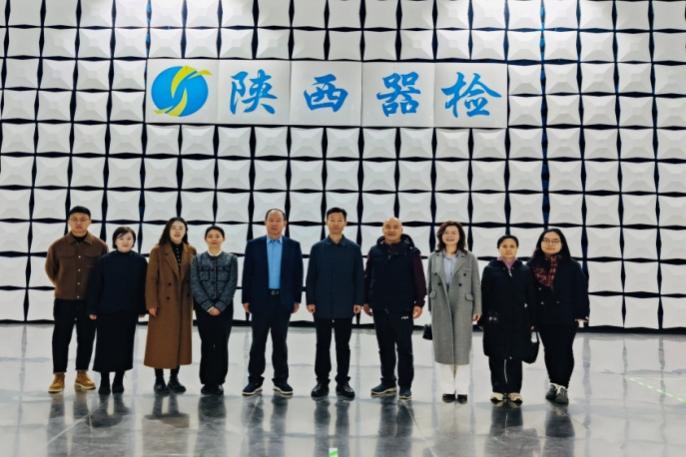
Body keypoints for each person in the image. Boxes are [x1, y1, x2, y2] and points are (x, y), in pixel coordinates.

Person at [45, 206, 108, 393]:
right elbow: (51, 270)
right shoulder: (57, 246)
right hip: (64, 300)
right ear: (69, 222)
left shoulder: (100, 246)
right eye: (74, 219)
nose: (79, 223)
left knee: (86, 337)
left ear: (90, 222)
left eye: (83, 219)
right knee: (60, 337)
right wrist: (63, 285)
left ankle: (82, 374)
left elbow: (103, 274)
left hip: (89, 302)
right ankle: (59, 375)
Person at [241, 209, 304, 397]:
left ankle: (281, 380)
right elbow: (247, 273)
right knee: (257, 342)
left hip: (282, 301)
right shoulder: (254, 245)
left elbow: (298, 273)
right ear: (265, 222)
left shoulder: (293, 246)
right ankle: (254, 380)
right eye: (271, 220)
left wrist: (296, 298)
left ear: (285, 223)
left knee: (280, 342)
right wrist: (245, 298)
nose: (274, 223)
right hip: (260, 300)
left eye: (278, 220)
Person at [363, 217, 426, 400]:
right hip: (380, 307)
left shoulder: (412, 252)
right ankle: (388, 382)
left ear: (401, 230)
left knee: (404, 349)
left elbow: (419, 278)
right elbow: (368, 277)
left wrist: (419, 302)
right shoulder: (375, 251)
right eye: (388, 227)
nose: (391, 230)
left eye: (395, 227)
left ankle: (405, 386)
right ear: (383, 229)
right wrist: (365, 300)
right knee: (384, 347)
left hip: (403, 307)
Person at [306, 207, 364, 400]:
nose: (336, 223)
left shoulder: (354, 249)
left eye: (340, 220)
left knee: (343, 345)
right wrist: (310, 300)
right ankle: (322, 381)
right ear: (326, 222)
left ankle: (342, 382)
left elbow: (359, 277)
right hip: (321, 303)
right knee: (322, 344)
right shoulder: (317, 248)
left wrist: (358, 300)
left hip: (345, 304)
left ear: (345, 223)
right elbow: (311, 276)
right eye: (332, 219)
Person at [527, 228, 589, 405]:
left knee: (564, 350)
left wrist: (581, 314)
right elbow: (528, 294)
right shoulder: (531, 265)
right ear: (540, 243)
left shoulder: (572, 266)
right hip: (543, 316)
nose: (550, 244)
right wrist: (529, 318)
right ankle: (554, 383)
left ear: (562, 244)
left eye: (555, 241)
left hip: (566, 316)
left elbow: (580, 291)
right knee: (550, 350)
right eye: (546, 240)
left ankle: (563, 387)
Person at [87, 226, 147, 395]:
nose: (125, 242)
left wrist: (142, 307)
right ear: (115, 241)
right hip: (106, 310)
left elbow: (144, 287)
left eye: (129, 238)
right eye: (121, 238)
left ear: (133, 241)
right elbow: (95, 286)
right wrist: (92, 308)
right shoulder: (104, 261)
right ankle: (104, 380)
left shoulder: (140, 261)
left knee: (125, 346)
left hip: (129, 311)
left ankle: (118, 380)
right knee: (104, 346)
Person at [426, 221, 481, 403]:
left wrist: (477, 308)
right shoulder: (434, 257)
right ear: (441, 236)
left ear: (460, 236)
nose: (450, 236)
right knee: (443, 348)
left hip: (463, 305)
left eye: (454, 232)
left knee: (462, 349)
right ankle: (447, 389)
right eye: (446, 232)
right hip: (441, 303)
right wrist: (431, 306)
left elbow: (476, 284)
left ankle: (462, 390)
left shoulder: (469, 257)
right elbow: (429, 284)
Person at [480, 234, 537, 405]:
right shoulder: (490, 269)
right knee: (496, 355)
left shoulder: (525, 270)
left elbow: (531, 296)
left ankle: (514, 390)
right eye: (504, 246)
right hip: (496, 320)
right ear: (498, 248)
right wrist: (483, 319)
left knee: (516, 355)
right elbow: (484, 295)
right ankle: (498, 389)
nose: (508, 249)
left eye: (512, 246)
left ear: (517, 248)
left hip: (519, 320)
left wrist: (532, 320)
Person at [144, 217, 197, 394]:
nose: (177, 231)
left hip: (183, 303)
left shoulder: (191, 250)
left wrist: (194, 303)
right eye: (174, 227)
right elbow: (151, 279)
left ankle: (174, 378)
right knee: (159, 341)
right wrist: (151, 303)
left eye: (181, 228)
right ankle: (159, 379)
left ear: (185, 231)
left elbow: (194, 279)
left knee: (179, 341)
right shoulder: (157, 251)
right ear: (168, 230)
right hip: (162, 303)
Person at [190, 225, 238, 396]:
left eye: (217, 236)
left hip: (225, 309)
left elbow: (232, 283)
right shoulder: (197, 259)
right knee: (207, 344)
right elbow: (195, 284)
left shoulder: (231, 259)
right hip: (204, 309)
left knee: (221, 344)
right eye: (210, 236)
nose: (214, 239)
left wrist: (220, 306)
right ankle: (207, 381)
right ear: (205, 239)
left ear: (223, 239)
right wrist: (208, 306)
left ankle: (218, 381)